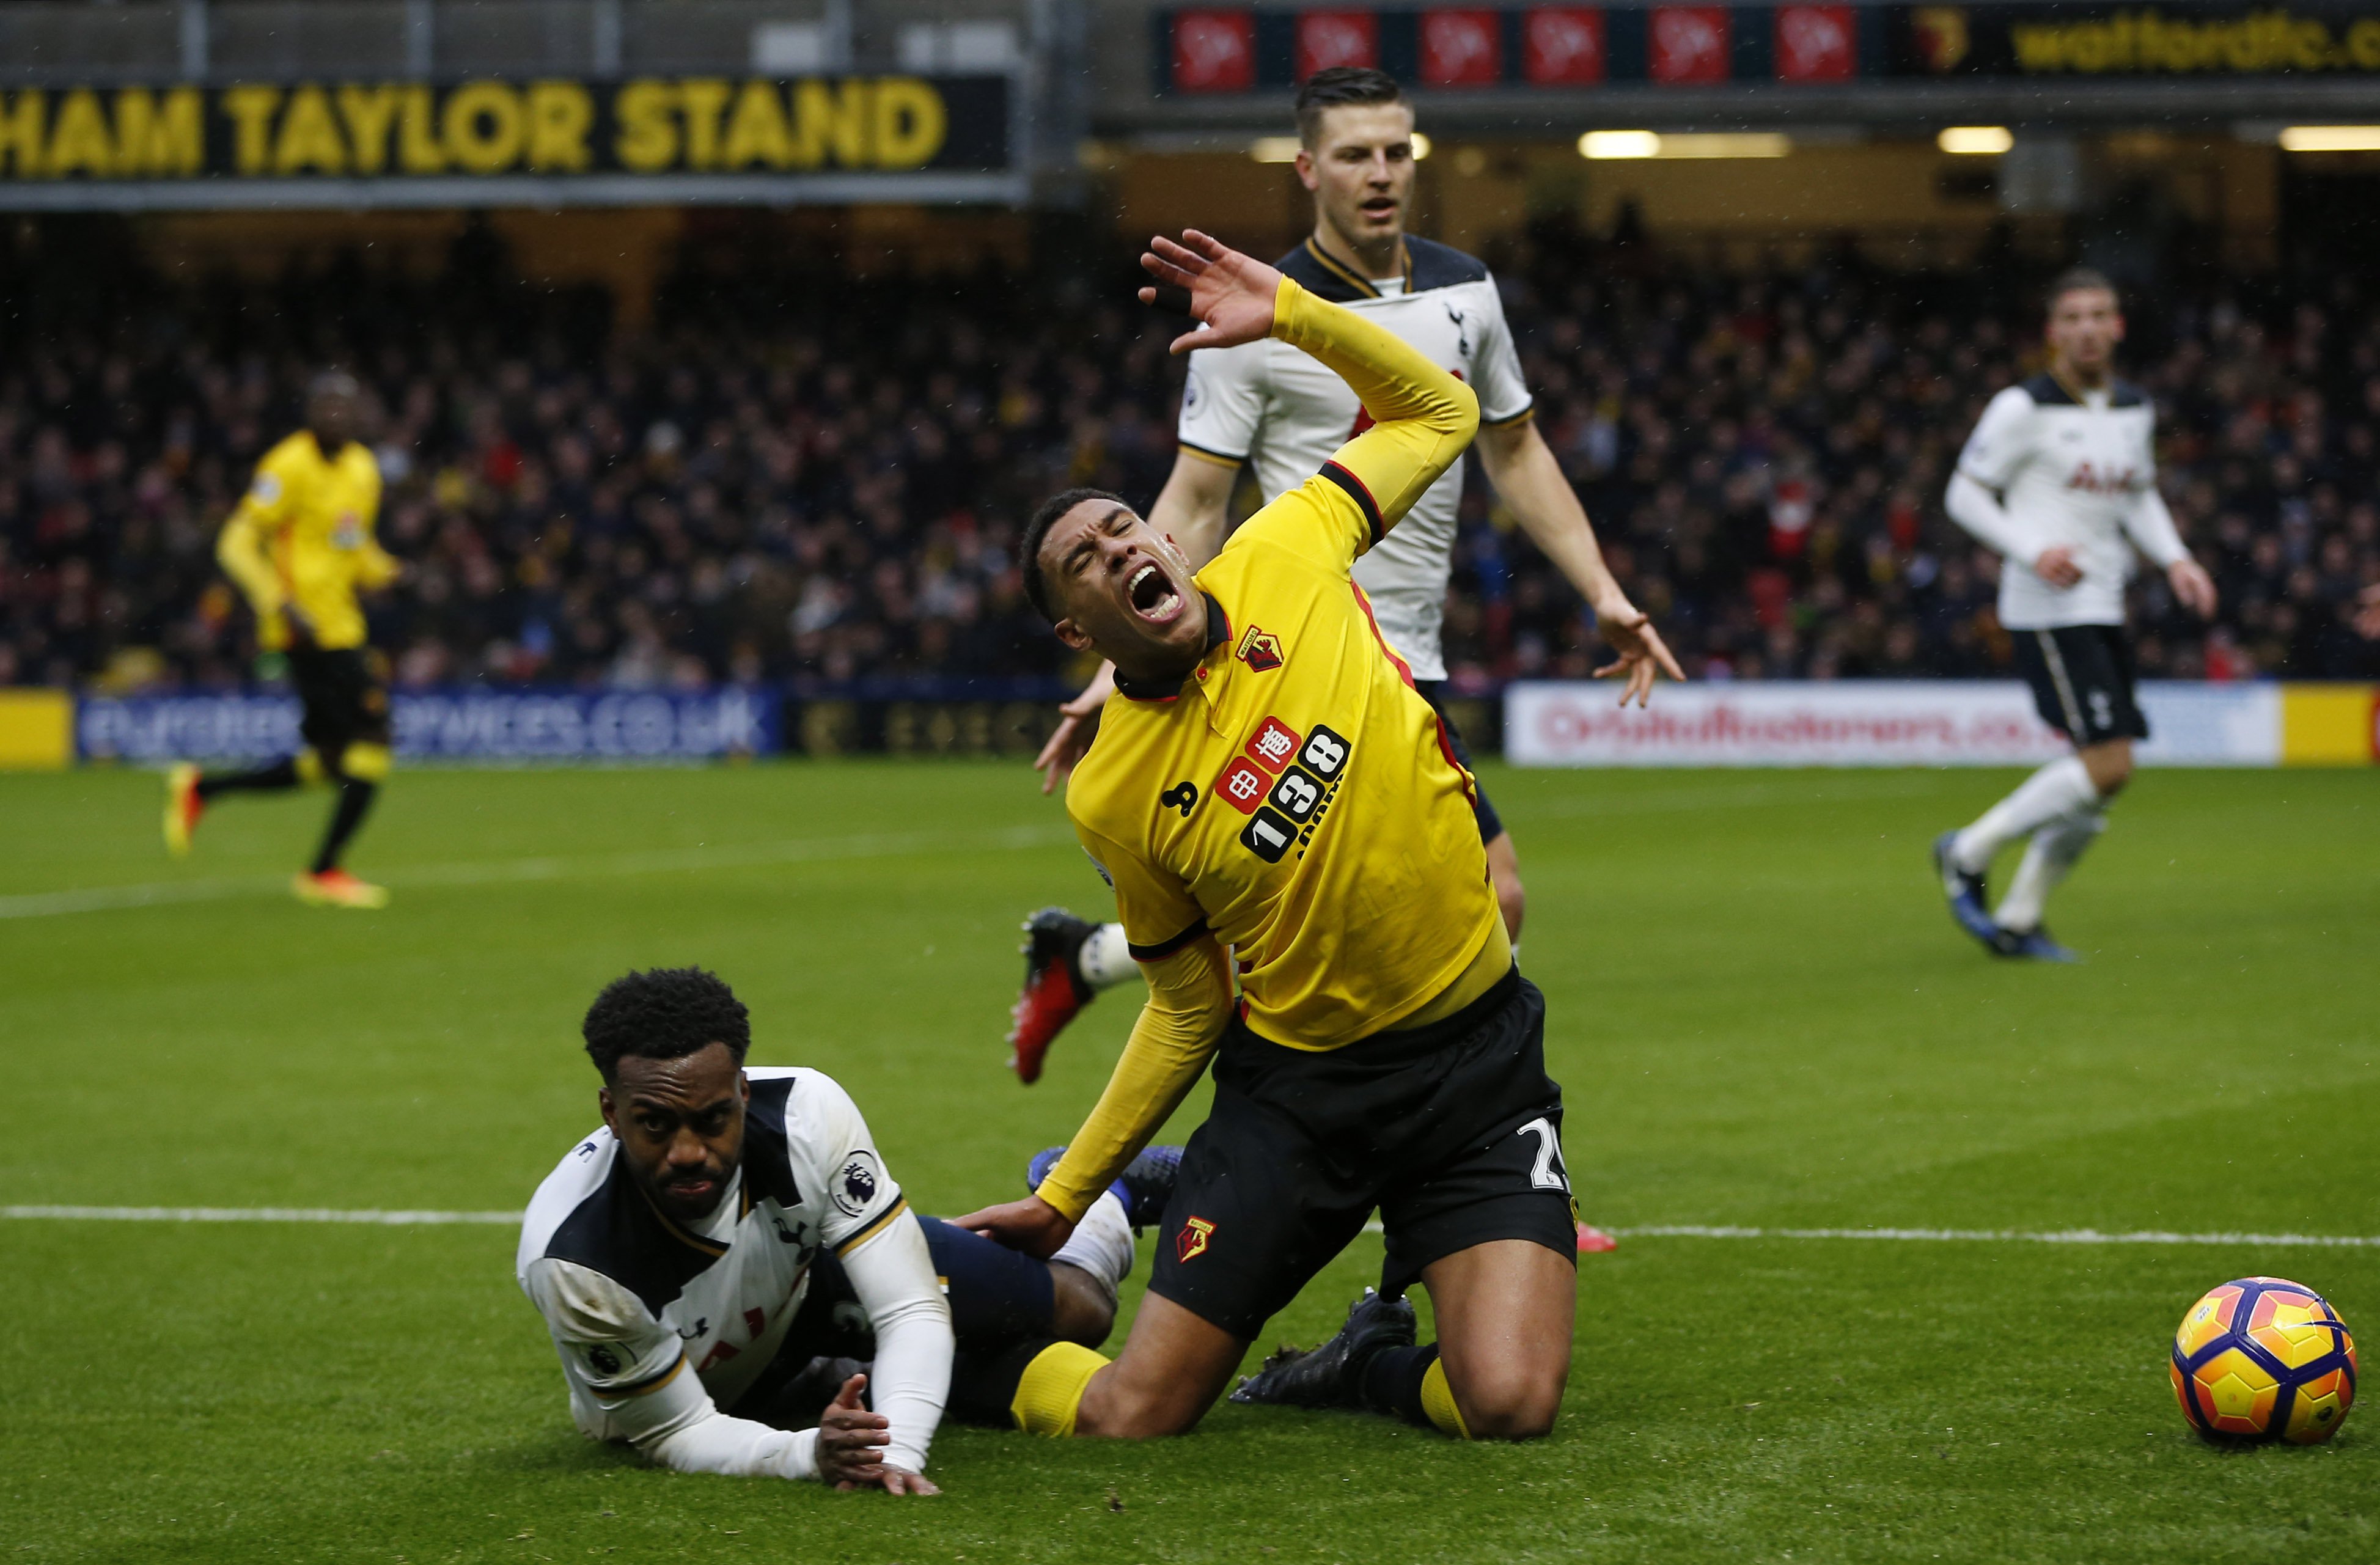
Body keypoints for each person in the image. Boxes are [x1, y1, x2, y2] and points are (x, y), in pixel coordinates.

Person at [957, 229, 1577, 1445]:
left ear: (1168, 541)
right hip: (1304, 1099)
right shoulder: (1112, 792)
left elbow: (1441, 411)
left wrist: (1295, 310)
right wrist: (1063, 1193)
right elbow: (1189, 1004)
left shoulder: (1288, 547)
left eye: (1124, 526)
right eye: (1085, 559)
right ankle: (927, 1369)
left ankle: (1360, 1364)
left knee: (1506, 1402)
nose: (1123, 546)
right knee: (1136, 1413)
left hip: (1477, 1065)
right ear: (1079, 631)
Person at [1007, 67, 1678, 1081]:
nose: (1380, 175)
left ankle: (1090, 961)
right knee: (1481, 892)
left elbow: (1512, 450)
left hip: (1410, 650)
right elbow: (1191, 500)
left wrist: (1602, 591)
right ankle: (1483, 1148)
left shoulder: (1465, 293)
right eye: (1355, 155)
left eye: (1396, 152)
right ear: (1306, 169)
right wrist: (1115, 666)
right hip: (1312, 651)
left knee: (1360, 912)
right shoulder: (1253, 312)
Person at [519, 967, 1166, 1492]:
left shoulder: (806, 1113)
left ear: (743, 1094)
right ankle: (848, 1375)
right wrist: (809, 1453)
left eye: (713, 1119)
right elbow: (677, 1429)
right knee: (1091, 1400)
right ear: (611, 1111)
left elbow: (910, 1306)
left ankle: (1111, 1192)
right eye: (656, 1124)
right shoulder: (578, 1263)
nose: (689, 1151)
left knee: (1080, 1310)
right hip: (753, 1392)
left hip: (813, 1280)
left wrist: (899, 1455)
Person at [1936, 268, 2218, 960]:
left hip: (2103, 604)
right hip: (2047, 611)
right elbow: (1964, 496)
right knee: (2107, 767)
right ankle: (1968, 851)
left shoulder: (2131, 407)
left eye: (2100, 315)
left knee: (2097, 780)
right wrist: (2031, 549)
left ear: (2118, 326)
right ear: (2052, 332)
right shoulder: (2021, 407)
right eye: (2073, 318)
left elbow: (2138, 497)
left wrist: (2176, 558)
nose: (2087, 329)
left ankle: (2020, 920)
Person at [163, 372, 403, 907]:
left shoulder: (364, 468)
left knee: (330, 761)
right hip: (306, 633)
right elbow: (236, 542)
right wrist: (280, 601)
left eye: (346, 406)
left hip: (343, 624)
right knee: (375, 736)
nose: (337, 415)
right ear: (310, 412)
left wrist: (389, 571)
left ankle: (203, 790)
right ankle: (323, 870)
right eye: (327, 405)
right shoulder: (288, 465)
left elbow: (351, 543)